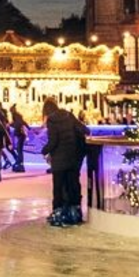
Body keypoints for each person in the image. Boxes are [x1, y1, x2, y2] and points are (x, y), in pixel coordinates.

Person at [41, 96, 88, 226]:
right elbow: (85, 129)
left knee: (59, 187)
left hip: (59, 160)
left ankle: (59, 213)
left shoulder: (52, 120)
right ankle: (75, 212)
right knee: (73, 185)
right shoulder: (69, 115)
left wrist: (44, 150)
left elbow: (53, 141)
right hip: (73, 158)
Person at [9, 106, 29, 173]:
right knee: (19, 149)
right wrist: (28, 128)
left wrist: (11, 125)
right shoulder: (17, 116)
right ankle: (19, 163)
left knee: (19, 149)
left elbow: (18, 123)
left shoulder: (16, 116)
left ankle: (20, 164)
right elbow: (22, 122)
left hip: (20, 134)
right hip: (21, 134)